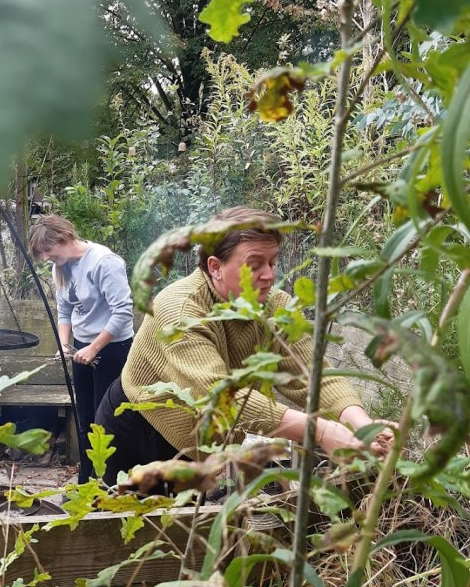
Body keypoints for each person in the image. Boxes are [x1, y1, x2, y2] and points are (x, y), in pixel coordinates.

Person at [95, 206, 394, 485]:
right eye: (254, 265)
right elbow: (221, 397)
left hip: (202, 434)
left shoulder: (276, 307)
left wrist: (363, 426)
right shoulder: (180, 310)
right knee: (130, 518)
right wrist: (322, 430)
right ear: (215, 267)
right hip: (139, 427)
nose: (269, 275)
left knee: (187, 517)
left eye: (272, 262)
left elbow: (312, 375)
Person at [29, 215, 134, 482]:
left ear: (64, 237)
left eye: (48, 250)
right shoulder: (61, 267)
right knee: (85, 419)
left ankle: (109, 484)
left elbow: (123, 313)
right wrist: (64, 344)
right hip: (82, 350)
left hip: (113, 349)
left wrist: (94, 348)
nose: (47, 258)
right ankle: (85, 482)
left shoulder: (104, 262)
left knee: (105, 422)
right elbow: (64, 311)